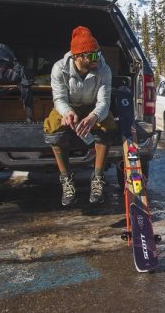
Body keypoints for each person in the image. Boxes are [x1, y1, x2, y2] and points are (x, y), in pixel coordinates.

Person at [43, 26, 118, 206]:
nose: (96, 58)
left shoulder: (104, 69)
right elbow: (59, 98)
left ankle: (98, 177)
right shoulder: (59, 68)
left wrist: (93, 117)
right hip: (69, 107)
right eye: (91, 55)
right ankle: (66, 179)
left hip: (93, 107)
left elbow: (104, 102)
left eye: (98, 53)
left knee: (107, 124)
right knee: (52, 127)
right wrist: (67, 113)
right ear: (78, 56)